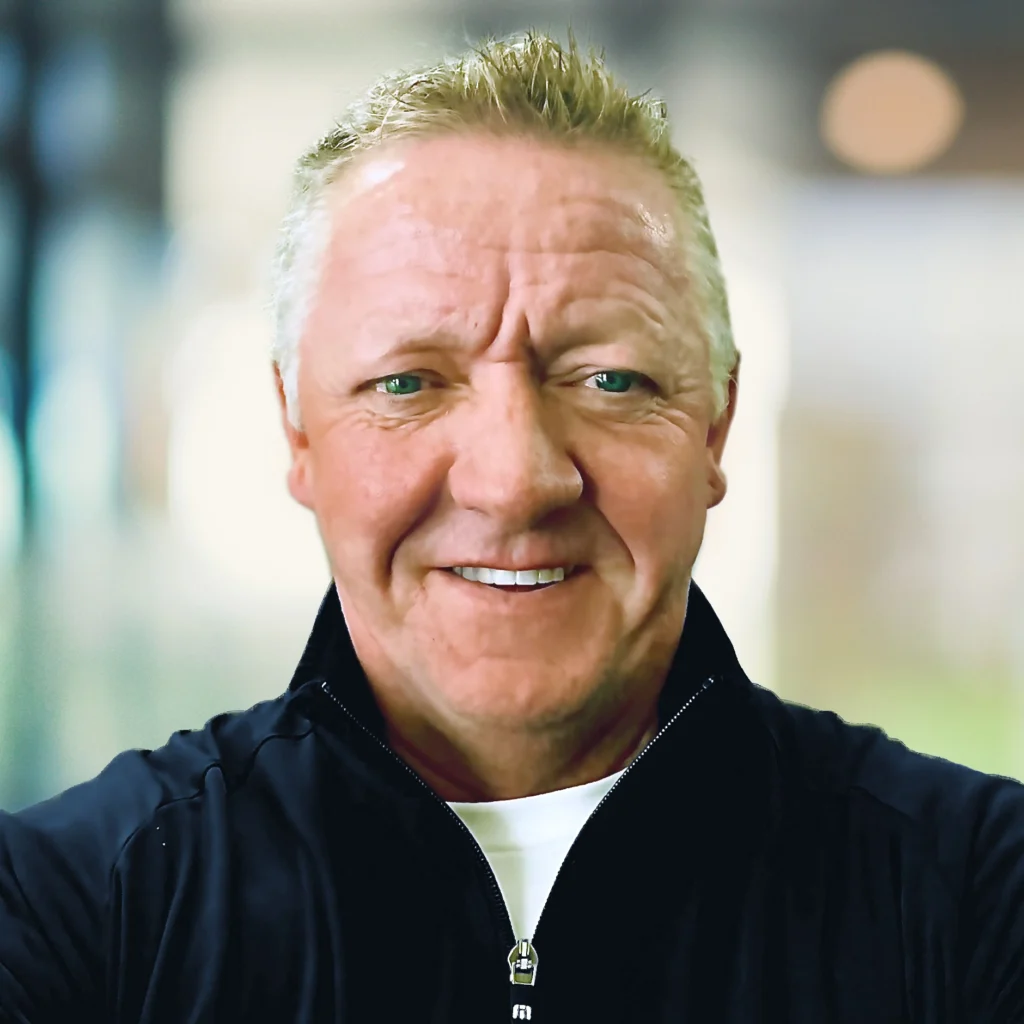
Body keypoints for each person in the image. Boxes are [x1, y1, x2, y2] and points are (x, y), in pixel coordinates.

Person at [1, 30, 1022, 1024]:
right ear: (298, 431)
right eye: (408, 382)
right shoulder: (75, 905)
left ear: (715, 425)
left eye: (609, 380)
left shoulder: (977, 893)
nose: (514, 482)